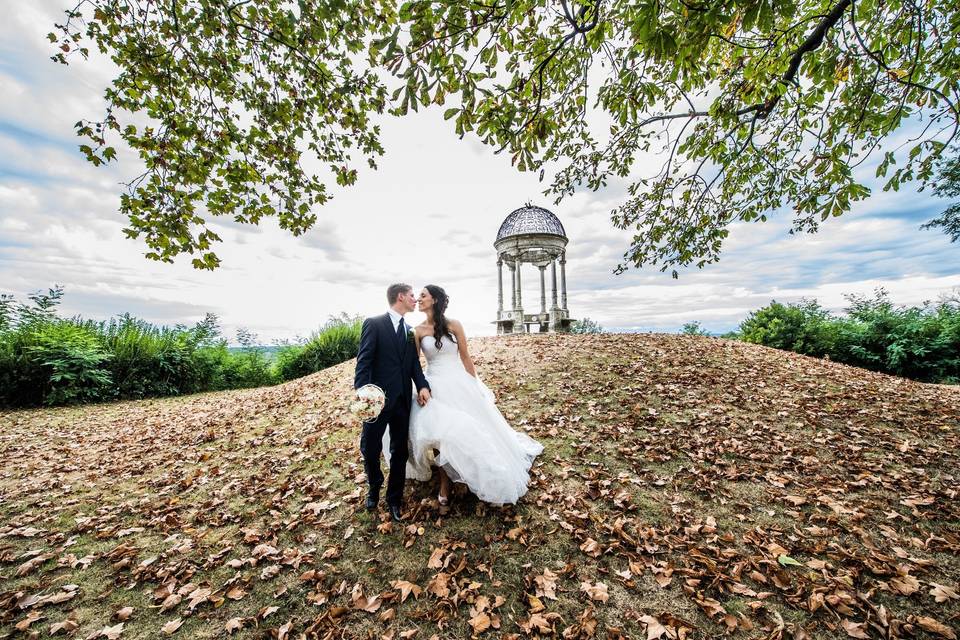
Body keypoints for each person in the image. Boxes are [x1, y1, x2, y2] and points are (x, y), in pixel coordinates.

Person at [386, 284, 543, 506]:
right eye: (417, 296)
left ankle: (474, 468)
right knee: (438, 431)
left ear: (435, 300)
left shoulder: (454, 325)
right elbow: (414, 365)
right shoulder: (417, 331)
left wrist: (474, 385)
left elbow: (466, 358)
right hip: (434, 384)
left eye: (423, 296)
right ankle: (445, 482)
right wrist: (420, 386)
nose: (419, 299)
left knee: (474, 426)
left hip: (459, 383)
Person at [354, 283, 431, 522]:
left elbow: (413, 365)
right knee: (370, 446)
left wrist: (422, 385)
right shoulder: (374, 324)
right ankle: (374, 486)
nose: (414, 299)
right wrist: (364, 394)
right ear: (400, 297)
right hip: (376, 401)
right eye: (411, 295)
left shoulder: (409, 331)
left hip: (401, 401)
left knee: (399, 450)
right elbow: (364, 362)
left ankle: (394, 499)